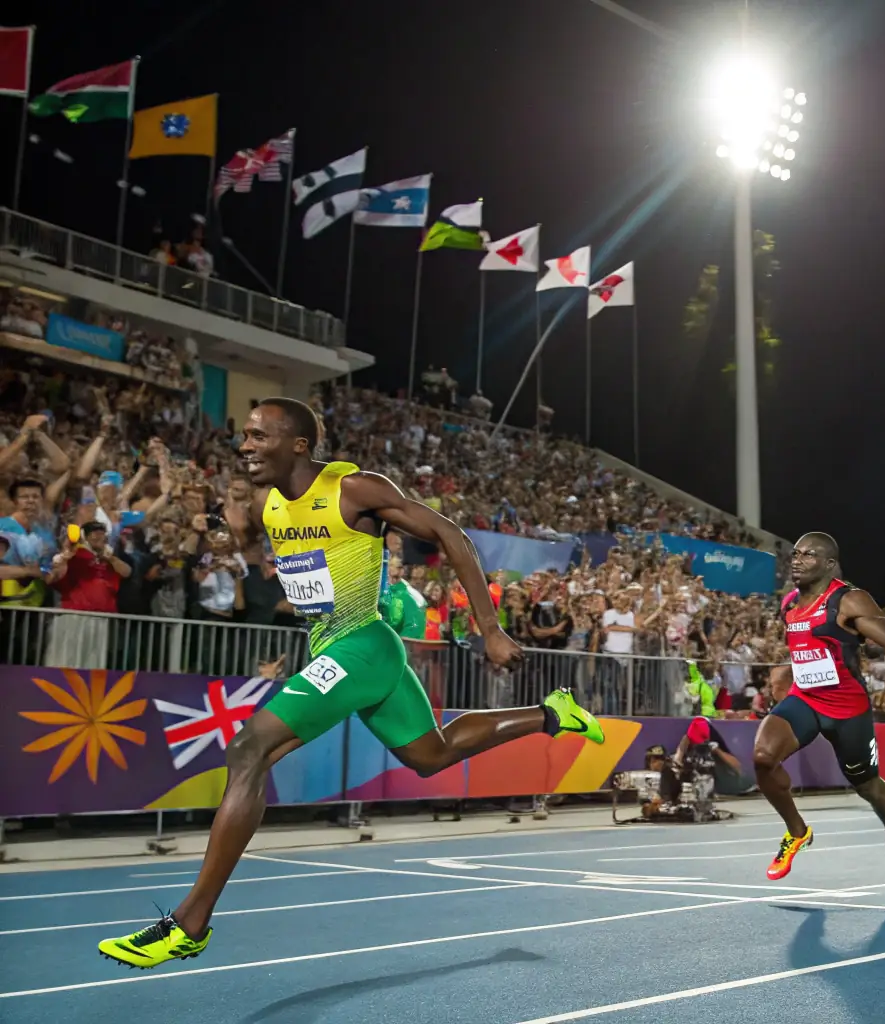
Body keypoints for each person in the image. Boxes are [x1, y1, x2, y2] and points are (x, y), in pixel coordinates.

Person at [98, 397, 604, 969]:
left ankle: (190, 924)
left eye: (258, 436)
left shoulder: (354, 489)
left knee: (248, 750)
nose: (244, 446)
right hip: (346, 652)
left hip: (361, 646)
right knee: (431, 754)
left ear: (299, 445)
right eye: (244, 435)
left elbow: (450, 534)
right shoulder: (270, 509)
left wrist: (489, 628)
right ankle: (552, 714)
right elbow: (300, 567)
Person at [755, 533, 885, 884]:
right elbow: (806, 648)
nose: (796, 560)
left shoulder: (848, 601)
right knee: (763, 758)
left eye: (807, 555)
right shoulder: (789, 605)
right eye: (795, 553)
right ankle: (797, 832)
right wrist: (786, 673)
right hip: (806, 699)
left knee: (868, 786)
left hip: (847, 709)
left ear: (829, 564)